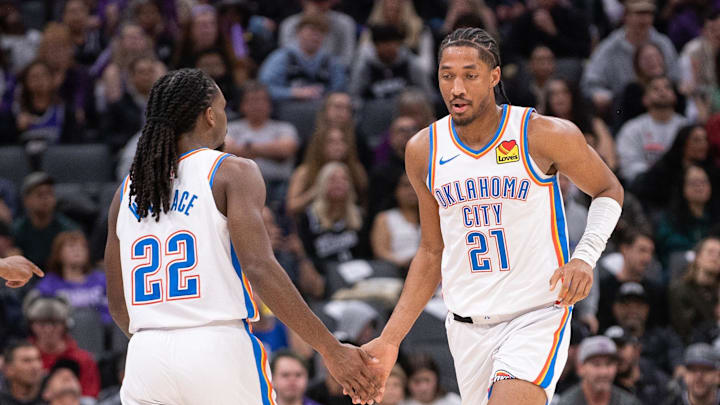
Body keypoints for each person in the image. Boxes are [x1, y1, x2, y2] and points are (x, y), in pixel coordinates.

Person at [362, 27, 623, 405]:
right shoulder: (423, 150)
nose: (456, 88)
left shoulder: (541, 134)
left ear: (494, 77)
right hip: (466, 327)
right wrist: (390, 339)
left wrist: (584, 256)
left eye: (470, 75)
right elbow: (432, 252)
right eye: (447, 75)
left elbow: (608, 189)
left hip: (534, 316)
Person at [104, 68, 380, 404]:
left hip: (145, 354)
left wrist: (161, 337)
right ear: (209, 116)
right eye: (222, 109)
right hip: (215, 346)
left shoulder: (127, 191)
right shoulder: (231, 171)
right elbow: (260, 268)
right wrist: (329, 348)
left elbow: (118, 304)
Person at [556, 336, 642, 405]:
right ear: (580, 368)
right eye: (596, 364)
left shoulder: (628, 402)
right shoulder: (566, 402)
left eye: (609, 364)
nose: (603, 372)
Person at [0, 341, 46, 405]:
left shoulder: (52, 396)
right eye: (26, 361)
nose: (36, 366)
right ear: (8, 369)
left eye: (38, 359)